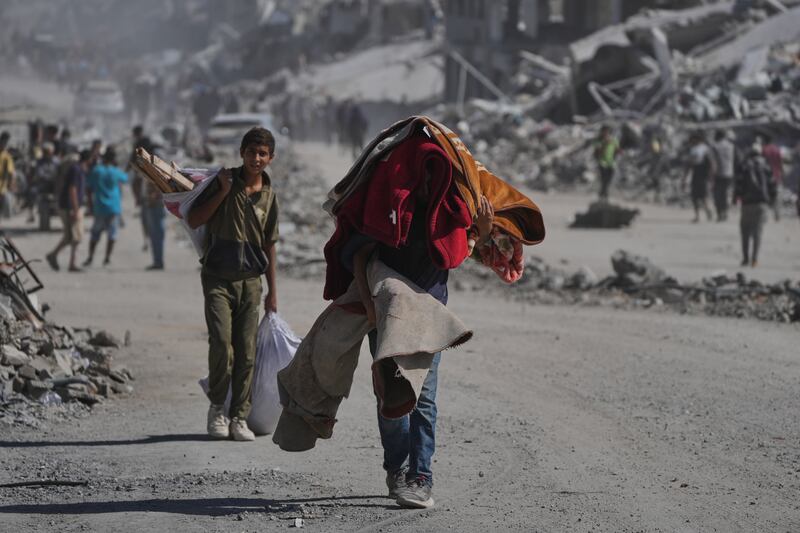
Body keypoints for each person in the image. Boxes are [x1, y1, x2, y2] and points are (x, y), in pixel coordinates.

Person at [347, 180, 494, 509]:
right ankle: (396, 469)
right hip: (388, 316)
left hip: (429, 318)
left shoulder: (449, 212)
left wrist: (479, 232)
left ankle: (420, 476)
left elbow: (456, 255)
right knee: (392, 395)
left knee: (424, 400)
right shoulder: (389, 206)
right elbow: (359, 254)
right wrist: (370, 308)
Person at [187, 127, 280, 442]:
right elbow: (196, 219)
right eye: (252, 152)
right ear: (242, 153)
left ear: (270, 158)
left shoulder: (269, 195)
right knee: (221, 345)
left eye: (262, 153)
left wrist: (273, 295)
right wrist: (224, 192)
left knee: (247, 352)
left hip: (251, 283)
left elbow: (269, 245)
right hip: (218, 278)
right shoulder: (223, 183)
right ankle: (217, 409)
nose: (256, 159)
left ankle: (240, 416)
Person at [46, 149, 91, 272]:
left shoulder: (79, 169)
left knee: (71, 237)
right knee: (75, 237)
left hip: (71, 206)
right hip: (69, 207)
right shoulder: (76, 170)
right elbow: (73, 190)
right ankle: (64, 260)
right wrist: (75, 210)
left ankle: (56, 256)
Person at [83, 147, 128, 267]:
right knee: (112, 234)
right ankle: (107, 258)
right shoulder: (115, 171)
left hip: (99, 207)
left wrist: (89, 205)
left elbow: (88, 186)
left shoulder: (97, 171)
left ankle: (90, 257)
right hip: (113, 207)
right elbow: (126, 178)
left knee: (95, 234)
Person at [735, 141, 776, 267]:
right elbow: (772, 186)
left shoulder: (744, 165)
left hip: (747, 204)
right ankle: (755, 260)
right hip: (761, 203)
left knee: (745, 232)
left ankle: (745, 258)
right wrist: (772, 202)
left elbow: (739, 184)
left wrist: (736, 198)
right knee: (758, 233)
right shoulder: (766, 166)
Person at [685, 132, 716, 223]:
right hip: (696, 174)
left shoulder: (705, 149)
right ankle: (697, 215)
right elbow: (689, 164)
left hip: (703, 175)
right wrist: (686, 176)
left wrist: (711, 176)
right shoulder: (693, 149)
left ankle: (708, 212)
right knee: (695, 197)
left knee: (704, 196)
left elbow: (712, 163)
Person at [712, 130, 736, 221]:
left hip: (718, 173)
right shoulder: (731, 146)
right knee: (726, 194)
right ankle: (725, 212)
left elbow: (713, 162)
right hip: (729, 173)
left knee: (717, 195)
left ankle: (720, 214)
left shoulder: (715, 146)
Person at [761, 134, 784, 221]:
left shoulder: (764, 150)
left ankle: (765, 216)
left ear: (766, 141)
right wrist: (782, 174)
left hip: (767, 177)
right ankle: (777, 215)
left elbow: (762, 163)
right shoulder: (777, 149)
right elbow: (780, 163)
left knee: (766, 196)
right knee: (777, 197)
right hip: (776, 176)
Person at [593, 125, 620, 200]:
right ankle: (604, 194)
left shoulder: (614, 140)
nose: (606, 133)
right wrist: (604, 143)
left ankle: (603, 193)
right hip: (602, 162)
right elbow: (597, 151)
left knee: (608, 180)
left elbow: (617, 150)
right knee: (603, 179)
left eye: (607, 132)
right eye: (604, 131)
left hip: (611, 163)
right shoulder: (599, 140)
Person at [0, 132, 17, 219]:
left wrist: (11, 186)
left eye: (5, 142)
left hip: (2, 188)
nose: (4, 144)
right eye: (3, 142)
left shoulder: (7, 157)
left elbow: (11, 173)